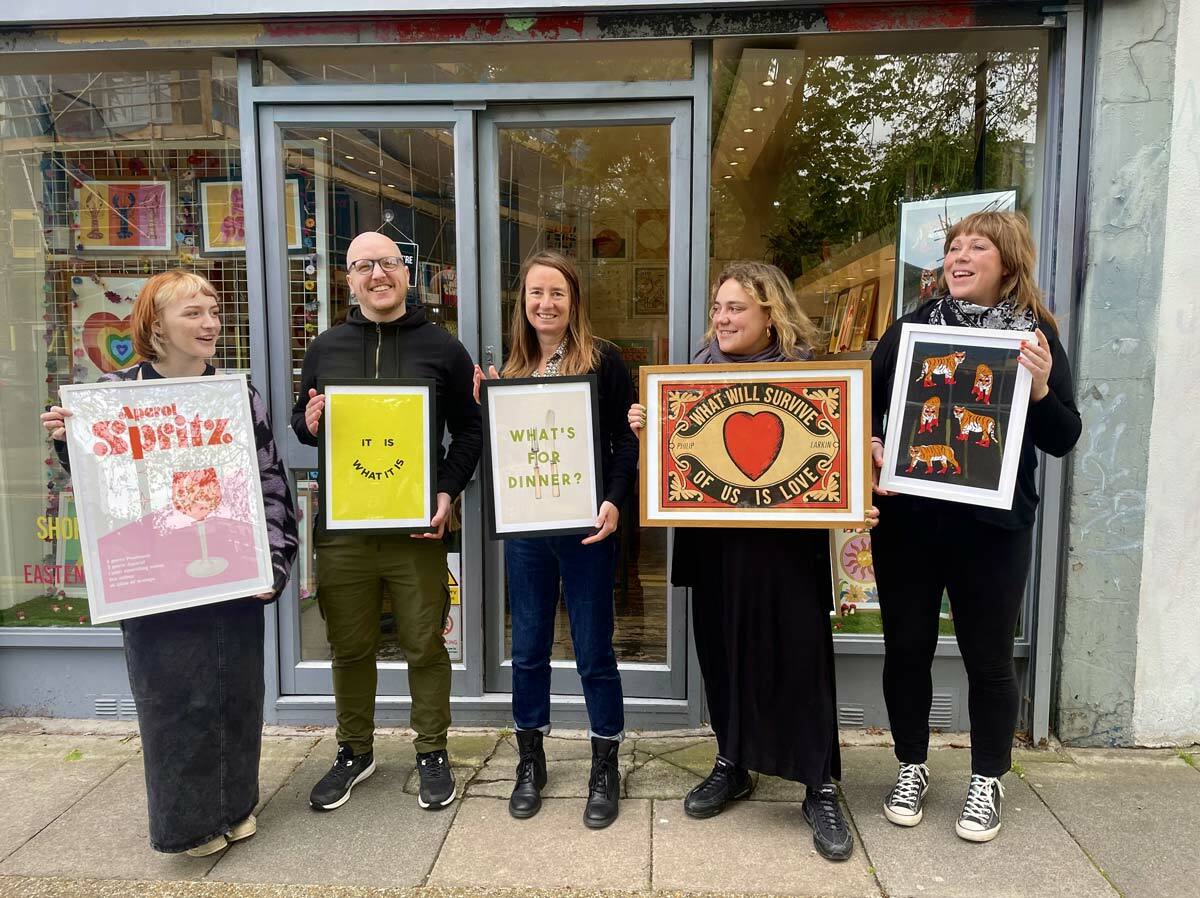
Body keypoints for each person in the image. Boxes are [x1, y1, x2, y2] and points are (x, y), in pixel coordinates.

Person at [40, 270, 298, 857]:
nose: (210, 322)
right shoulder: (114, 396)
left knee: (237, 693)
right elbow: (105, 492)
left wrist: (274, 562)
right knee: (173, 700)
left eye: (213, 310)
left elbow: (269, 483)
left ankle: (236, 806)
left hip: (229, 571)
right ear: (156, 324)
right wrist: (68, 443)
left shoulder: (236, 396)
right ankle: (188, 824)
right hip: (156, 581)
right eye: (193, 313)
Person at [629, 261, 878, 862]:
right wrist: (649, 434)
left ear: (772, 313)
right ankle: (733, 760)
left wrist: (859, 467)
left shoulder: (812, 379)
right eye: (718, 307)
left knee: (799, 657)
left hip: (785, 549)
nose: (721, 318)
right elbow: (673, 470)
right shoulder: (690, 380)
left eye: (735, 307)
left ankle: (818, 783)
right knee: (723, 653)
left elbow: (834, 460)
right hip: (714, 546)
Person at [870, 210, 1081, 843]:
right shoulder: (909, 330)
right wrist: (874, 444)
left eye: (977, 247)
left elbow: (1064, 436)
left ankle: (986, 778)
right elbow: (863, 414)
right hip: (908, 523)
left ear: (1008, 262)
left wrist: (1041, 389)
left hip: (992, 530)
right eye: (954, 247)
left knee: (988, 658)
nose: (959, 257)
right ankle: (910, 766)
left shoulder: (1034, 337)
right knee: (906, 649)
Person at [294, 231, 481, 812]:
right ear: (348, 279)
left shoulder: (444, 348)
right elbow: (305, 429)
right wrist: (311, 421)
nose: (378, 274)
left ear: (408, 272)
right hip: (345, 531)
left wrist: (448, 492)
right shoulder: (325, 349)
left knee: (426, 643)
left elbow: (470, 431)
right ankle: (356, 750)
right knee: (349, 646)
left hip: (416, 530)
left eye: (388, 263)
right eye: (363, 266)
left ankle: (432, 751)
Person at [473, 250, 637, 829]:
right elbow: (511, 455)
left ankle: (604, 764)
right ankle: (530, 760)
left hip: (588, 529)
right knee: (530, 650)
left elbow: (625, 440)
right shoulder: (509, 369)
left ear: (574, 303)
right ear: (523, 301)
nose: (546, 304)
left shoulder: (605, 361)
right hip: (527, 533)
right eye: (536, 293)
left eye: (557, 294)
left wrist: (615, 501)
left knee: (594, 650)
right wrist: (486, 407)